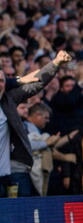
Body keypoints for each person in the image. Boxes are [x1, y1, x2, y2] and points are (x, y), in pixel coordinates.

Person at [1, 50, 73, 197]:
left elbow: (36, 83)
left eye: (2, 81)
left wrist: (55, 63)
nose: (0, 84)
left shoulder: (8, 100)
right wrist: (16, 80)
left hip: (4, 175)